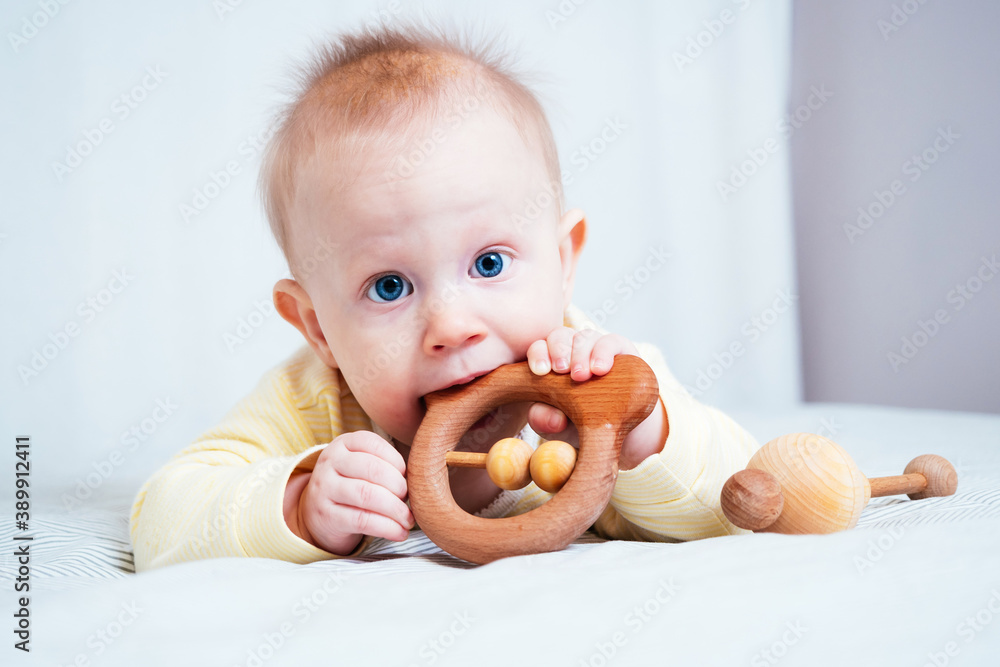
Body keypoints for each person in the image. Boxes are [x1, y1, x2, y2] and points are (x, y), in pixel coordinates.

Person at [129, 21, 758, 571]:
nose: (452, 326)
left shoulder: (595, 380)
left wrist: (640, 436)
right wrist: (298, 504)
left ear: (562, 262)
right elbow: (160, 521)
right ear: (318, 327)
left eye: (488, 263)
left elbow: (742, 496)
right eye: (389, 286)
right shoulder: (316, 402)